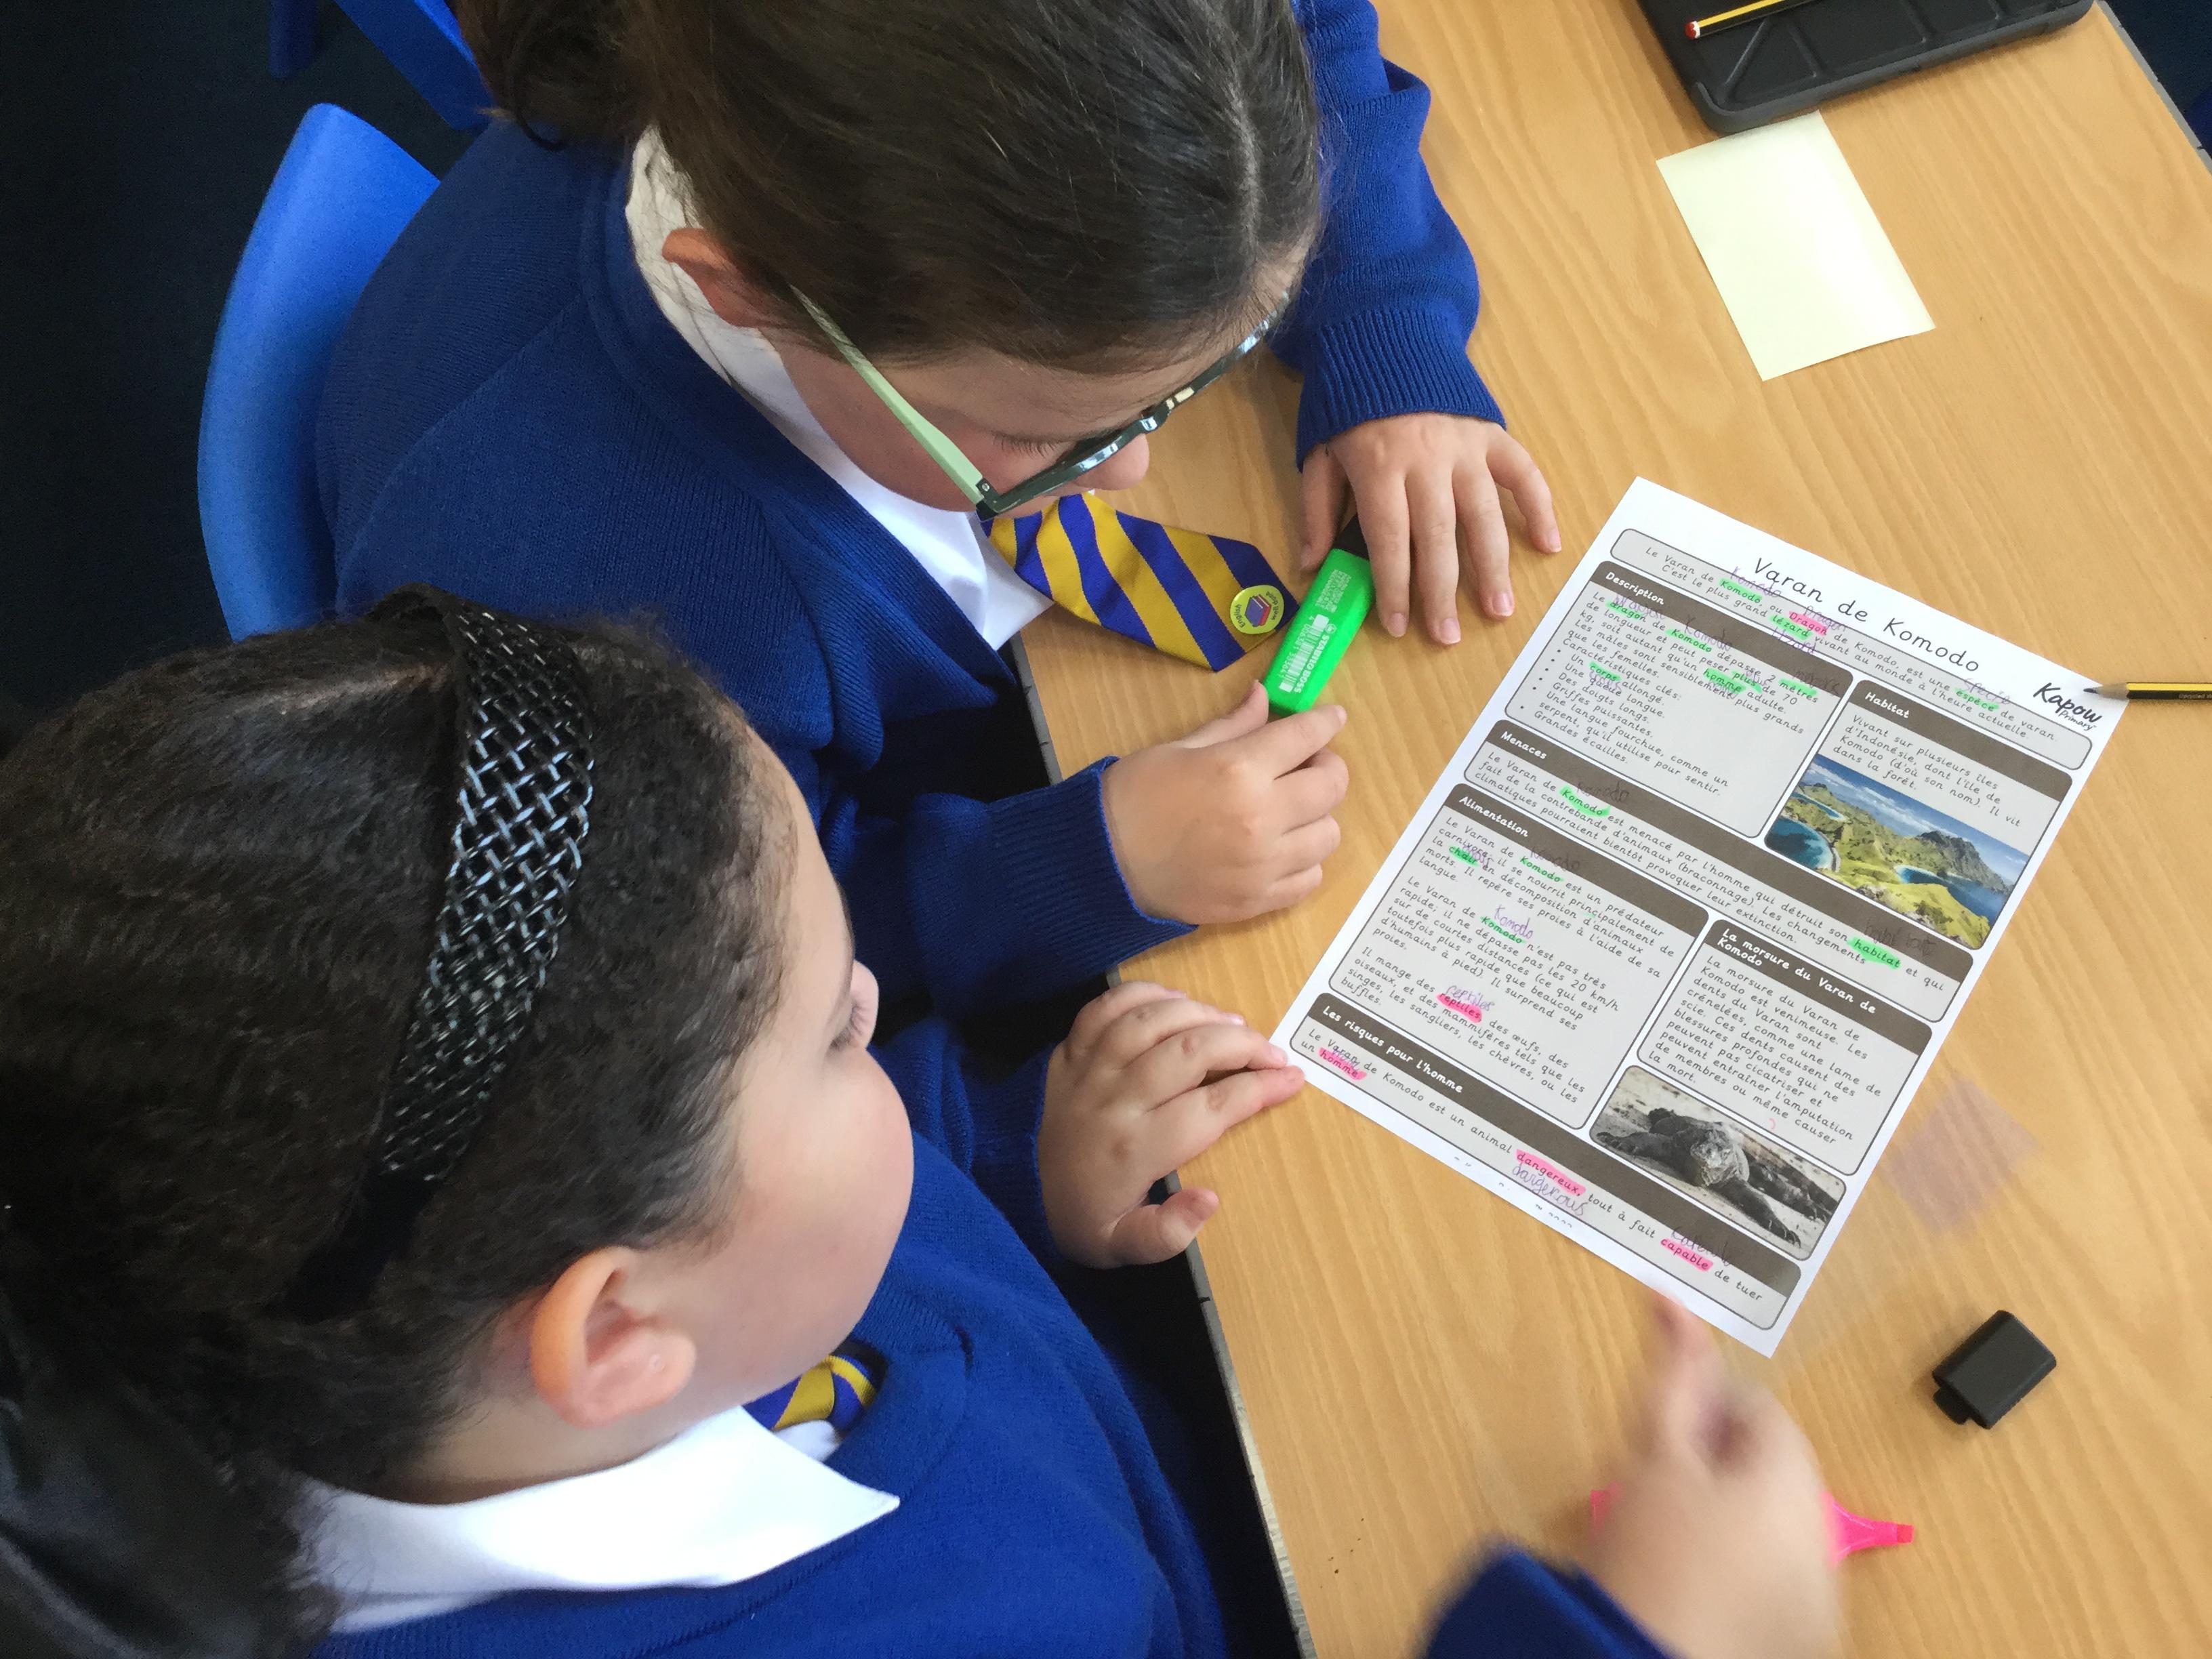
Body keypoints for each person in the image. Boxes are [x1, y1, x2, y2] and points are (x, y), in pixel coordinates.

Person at [0, 601, 1836, 1659]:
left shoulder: (453, 1274)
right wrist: (1653, 1640)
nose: (883, 1003)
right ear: (618, 1334)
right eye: (834, 1033)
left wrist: (1018, 1172)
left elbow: (826, 1233)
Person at [316, 0, 1558, 1025]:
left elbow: (1298, 28)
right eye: (1043, 435)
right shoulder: (606, 615)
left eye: (1190, 381)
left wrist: (1380, 321)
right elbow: (689, 972)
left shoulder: (797, 144)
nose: (1129, 471)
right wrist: (1080, 867)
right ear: (746, 295)